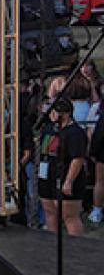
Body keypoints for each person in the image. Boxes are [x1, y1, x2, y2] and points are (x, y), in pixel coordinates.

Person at [37, 97, 89, 236]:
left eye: (53, 111)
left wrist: (69, 181)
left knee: (69, 216)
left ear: (64, 113)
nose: (50, 114)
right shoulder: (49, 128)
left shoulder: (75, 132)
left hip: (64, 175)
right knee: (49, 211)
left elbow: (77, 158)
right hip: (47, 175)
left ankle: (76, 248)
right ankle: (53, 241)